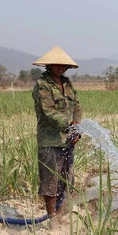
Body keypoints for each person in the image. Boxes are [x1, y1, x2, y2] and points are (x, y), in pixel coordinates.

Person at [32, 46, 82, 222]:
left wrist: (75, 127)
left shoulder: (67, 84)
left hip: (67, 140)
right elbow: (49, 112)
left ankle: (61, 214)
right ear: (50, 65)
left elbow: (77, 106)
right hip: (50, 140)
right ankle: (52, 219)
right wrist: (68, 126)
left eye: (64, 66)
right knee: (50, 182)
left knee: (67, 179)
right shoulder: (42, 85)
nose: (61, 68)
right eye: (57, 65)